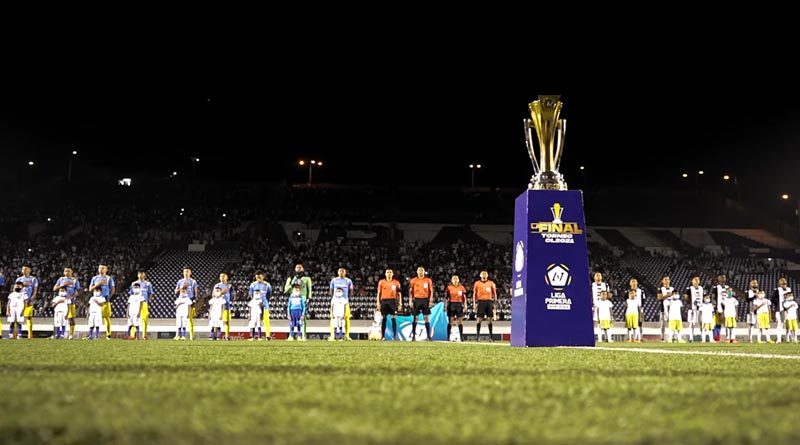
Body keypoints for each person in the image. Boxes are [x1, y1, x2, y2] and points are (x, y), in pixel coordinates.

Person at [284, 263, 312, 340]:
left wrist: (309, 298)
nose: (298, 268)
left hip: (302, 299)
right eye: (297, 267)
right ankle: (291, 335)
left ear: (303, 269)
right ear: (295, 269)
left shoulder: (307, 279)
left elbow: (309, 289)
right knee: (292, 319)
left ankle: (303, 335)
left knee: (303, 318)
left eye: (300, 267)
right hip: (293, 299)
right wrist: (292, 284)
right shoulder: (290, 278)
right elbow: (285, 290)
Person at [89, 265, 116, 340]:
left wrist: (108, 297)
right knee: (93, 318)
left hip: (105, 301)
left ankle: (108, 334)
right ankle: (92, 334)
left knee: (106, 317)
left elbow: (113, 289)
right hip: (95, 302)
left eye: (103, 268)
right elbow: (90, 289)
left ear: (106, 270)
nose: (101, 269)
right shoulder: (94, 278)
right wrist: (98, 284)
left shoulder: (109, 278)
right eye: (100, 268)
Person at [54, 267, 82, 339]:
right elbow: (54, 289)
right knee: (59, 319)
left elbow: (79, 290)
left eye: (68, 271)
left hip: (71, 302)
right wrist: (64, 285)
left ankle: (71, 334)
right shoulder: (61, 279)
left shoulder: (74, 281)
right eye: (65, 271)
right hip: (61, 302)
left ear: (72, 272)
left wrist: (73, 296)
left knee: (71, 318)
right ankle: (58, 334)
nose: (67, 272)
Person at [408, 267, 434, 341]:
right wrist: (410, 300)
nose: (420, 272)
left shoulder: (428, 280)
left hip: (425, 300)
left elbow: (431, 291)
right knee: (415, 318)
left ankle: (428, 336)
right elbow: (410, 291)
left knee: (426, 318)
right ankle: (413, 336)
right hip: (416, 300)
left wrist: (431, 300)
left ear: (424, 271)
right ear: (417, 272)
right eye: (419, 270)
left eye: (422, 270)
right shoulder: (413, 280)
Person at [376, 269, 402, 340]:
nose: (389, 274)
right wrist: (378, 302)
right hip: (384, 301)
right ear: (385, 274)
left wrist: (400, 303)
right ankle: (383, 336)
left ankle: (394, 336)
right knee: (384, 318)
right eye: (388, 272)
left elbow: (399, 293)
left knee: (393, 318)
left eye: (390, 272)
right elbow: (379, 293)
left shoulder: (396, 282)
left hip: (393, 302)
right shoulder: (381, 282)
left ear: (393, 274)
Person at [329, 268, 354, 340]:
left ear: (345, 272)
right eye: (340, 271)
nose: (341, 272)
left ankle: (347, 335)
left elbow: (351, 290)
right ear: (337, 272)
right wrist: (333, 297)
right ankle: (332, 335)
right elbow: (331, 290)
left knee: (347, 318)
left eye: (343, 271)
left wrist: (348, 297)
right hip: (335, 301)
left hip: (345, 301)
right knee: (333, 318)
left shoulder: (348, 281)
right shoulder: (334, 280)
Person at [15, 266, 38, 339]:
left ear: (29, 270)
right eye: (22, 269)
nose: (23, 270)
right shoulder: (19, 279)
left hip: (28, 300)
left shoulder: (33, 279)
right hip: (19, 300)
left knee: (29, 317)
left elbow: (35, 290)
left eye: (25, 269)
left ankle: (30, 334)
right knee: (18, 317)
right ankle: (19, 334)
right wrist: (23, 285)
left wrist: (32, 299)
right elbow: (15, 289)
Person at [473, 270, 497, 342]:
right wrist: (474, 303)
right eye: (482, 274)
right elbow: (474, 294)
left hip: (489, 302)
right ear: (480, 275)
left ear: (487, 276)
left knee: (489, 319)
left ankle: (491, 337)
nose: (484, 275)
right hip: (480, 302)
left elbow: (494, 293)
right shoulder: (477, 283)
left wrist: (495, 302)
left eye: (485, 274)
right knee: (479, 319)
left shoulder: (491, 283)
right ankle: (477, 337)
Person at [174, 267, 198, 340]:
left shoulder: (193, 281)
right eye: (185, 271)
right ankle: (177, 334)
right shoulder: (180, 281)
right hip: (181, 300)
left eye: (188, 271)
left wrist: (195, 300)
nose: (186, 273)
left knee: (189, 318)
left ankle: (191, 335)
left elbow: (195, 292)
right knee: (179, 318)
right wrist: (181, 288)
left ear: (190, 273)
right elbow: (175, 292)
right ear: (183, 273)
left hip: (189, 300)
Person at [130, 271, 154, 340]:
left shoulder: (148, 284)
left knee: (144, 319)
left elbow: (150, 293)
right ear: (138, 275)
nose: (140, 275)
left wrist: (148, 301)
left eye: (142, 273)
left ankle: (144, 335)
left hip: (144, 302)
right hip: (135, 303)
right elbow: (131, 293)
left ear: (144, 275)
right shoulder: (134, 283)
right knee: (134, 318)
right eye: (139, 273)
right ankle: (133, 335)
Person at [249, 272, 272, 340]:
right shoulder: (253, 285)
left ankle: (268, 335)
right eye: (257, 276)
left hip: (265, 305)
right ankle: (253, 336)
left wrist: (265, 301)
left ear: (263, 276)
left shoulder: (267, 285)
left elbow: (269, 294)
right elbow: (251, 295)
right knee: (255, 321)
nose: (258, 278)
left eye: (260, 276)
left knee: (266, 320)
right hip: (255, 306)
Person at [446, 275, 467, 342]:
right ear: (452, 280)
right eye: (454, 278)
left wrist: (465, 305)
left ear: (458, 280)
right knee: (451, 321)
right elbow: (447, 298)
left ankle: (461, 337)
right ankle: (448, 337)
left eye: (456, 278)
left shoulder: (461, 287)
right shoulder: (449, 287)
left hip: (459, 304)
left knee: (459, 321)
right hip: (451, 304)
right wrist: (446, 306)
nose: (455, 280)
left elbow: (464, 297)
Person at [683, 276, 704, 342]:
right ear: (692, 281)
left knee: (701, 322)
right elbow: (686, 297)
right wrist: (691, 303)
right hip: (692, 308)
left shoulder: (701, 288)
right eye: (695, 279)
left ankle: (702, 337)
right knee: (692, 323)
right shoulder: (689, 288)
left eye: (698, 279)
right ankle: (691, 337)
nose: (697, 281)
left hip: (700, 307)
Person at [213, 273, 233, 340]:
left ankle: (227, 335)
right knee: (217, 321)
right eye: (221, 276)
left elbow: (232, 295)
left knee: (226, 321)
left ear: (227, 277)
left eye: (224, 276)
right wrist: (222, 292)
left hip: (226, 305)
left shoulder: (229, 286)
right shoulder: (217, 285)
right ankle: (215, 336)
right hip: (218, 306)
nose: (222, 277)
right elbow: (214, 295)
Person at [591, 272, 610, 342]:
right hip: (595, 305)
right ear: (594, 277)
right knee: (596, 322)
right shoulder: (591, 285)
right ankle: (598, 338)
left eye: (599, 275)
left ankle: (607, 337)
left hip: (603, 306)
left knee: (604, 322)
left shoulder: (605, 285)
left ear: (601, 277)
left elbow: (609, 295)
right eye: (597, 275)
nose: (598, 277)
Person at [657, 276, 675, 342]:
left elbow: (675, 296)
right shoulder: (660, 289)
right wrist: (667, 295)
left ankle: (672, 336)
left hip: (672, 308)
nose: (667, 280)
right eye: (665, 279)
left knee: (672, 322)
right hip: (663, 308)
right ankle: (662, 337)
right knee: (663, 324)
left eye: (668, 279)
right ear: (662, 281)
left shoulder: (672, 288)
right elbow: (659, 297)